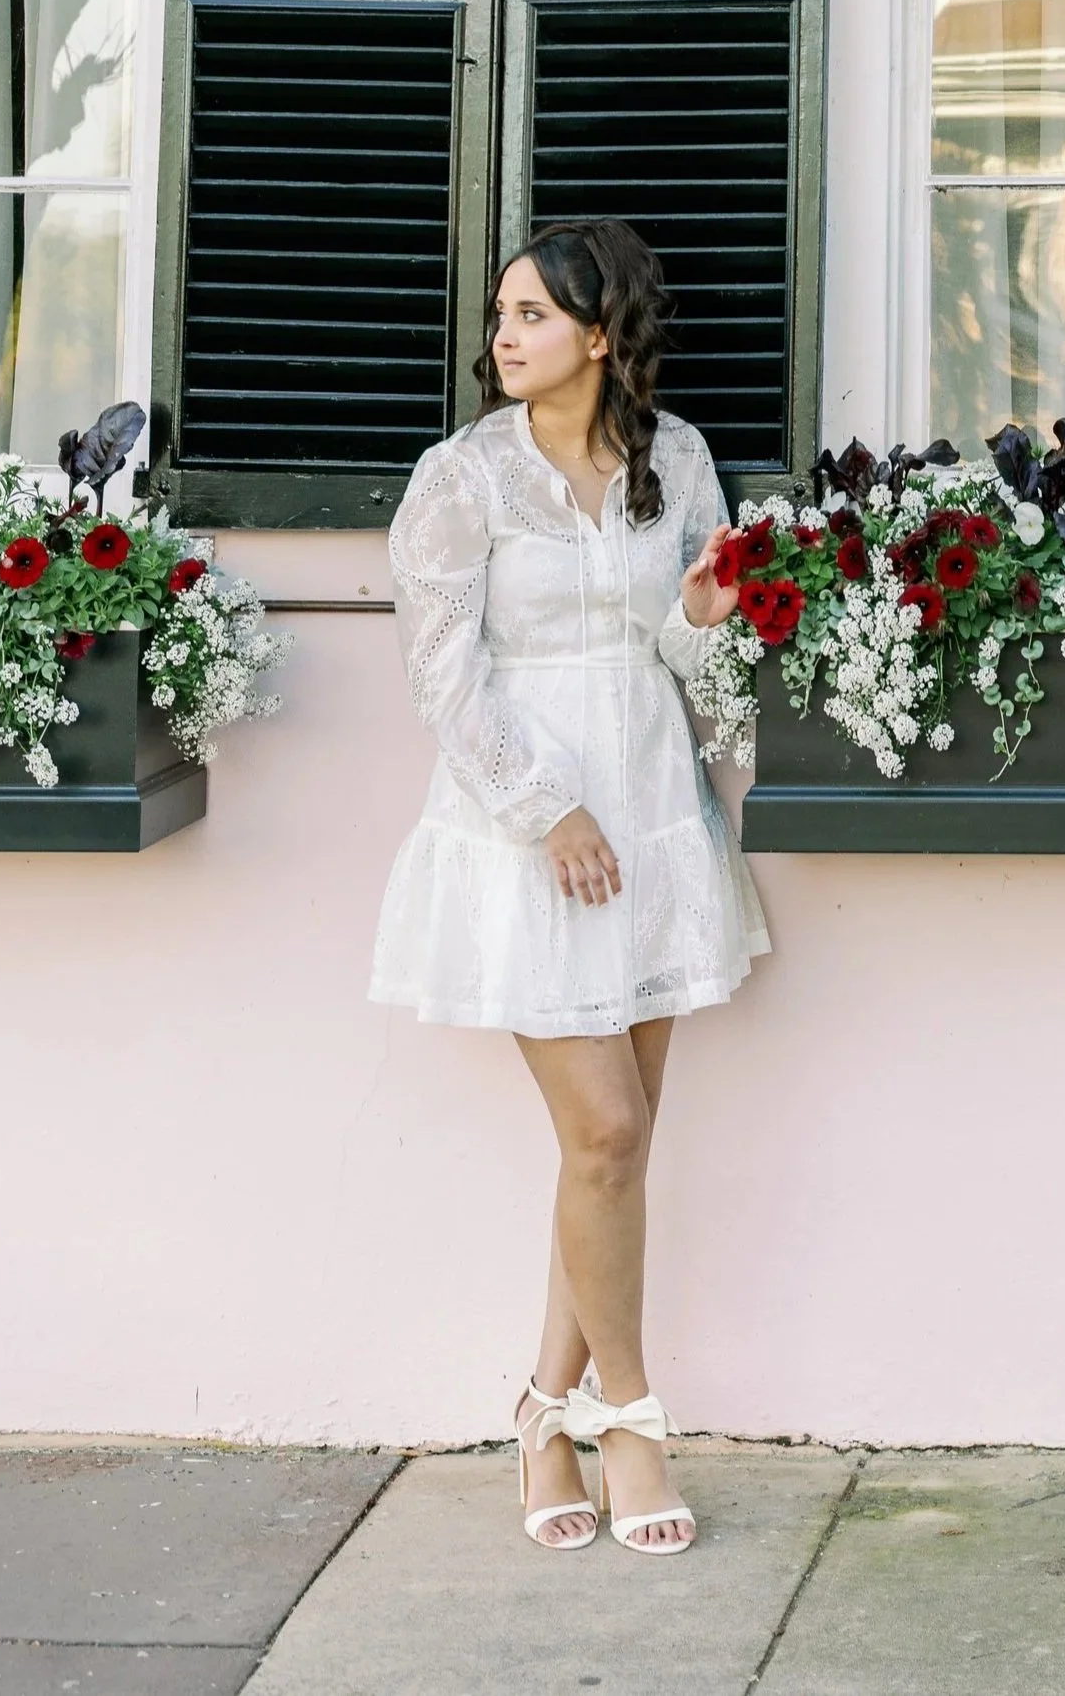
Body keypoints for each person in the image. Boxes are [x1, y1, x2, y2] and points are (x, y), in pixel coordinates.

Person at [369, 219, 770, 1557]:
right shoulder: (459, 476)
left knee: (612, 1150)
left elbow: (675, 642)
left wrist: (708, 618)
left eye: (533, 314)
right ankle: (635, 1418)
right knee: (604, 1132)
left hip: (654, 816)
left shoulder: (680, 459)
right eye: (501, 314)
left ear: (601, 335)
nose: (506, 336)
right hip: (530, 828)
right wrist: (550, 811)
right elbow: (443, 673)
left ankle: (543, 1410)